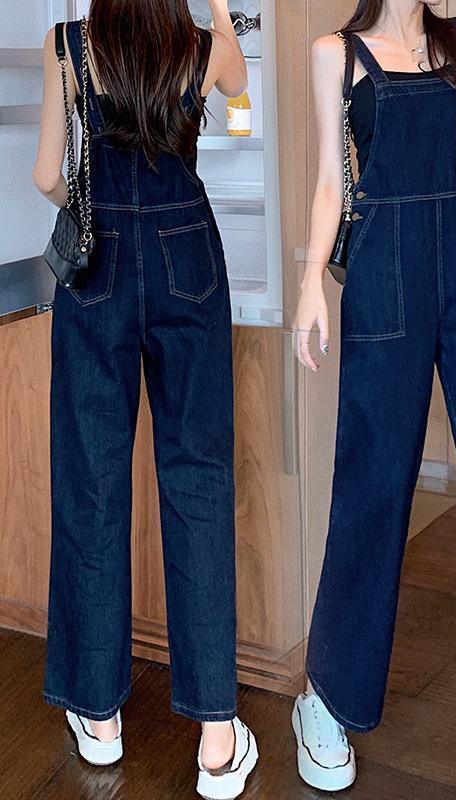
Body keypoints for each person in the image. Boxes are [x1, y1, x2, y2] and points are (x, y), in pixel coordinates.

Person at [292, 0, 456, 795]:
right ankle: (327, 699)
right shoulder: (336, 54)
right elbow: (331, 179)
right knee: (371, 487)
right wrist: (310, 283)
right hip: (387, 270)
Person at [32, 1, 258, 797]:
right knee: (199, 480)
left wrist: (90, 213)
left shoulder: (68, 44)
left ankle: (99, 716)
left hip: (98, 265)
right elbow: (238, 87)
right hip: (185, 251)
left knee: (92, 482)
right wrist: (221, 11)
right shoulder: (203, 48)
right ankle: (217, 737)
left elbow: (48, 176)